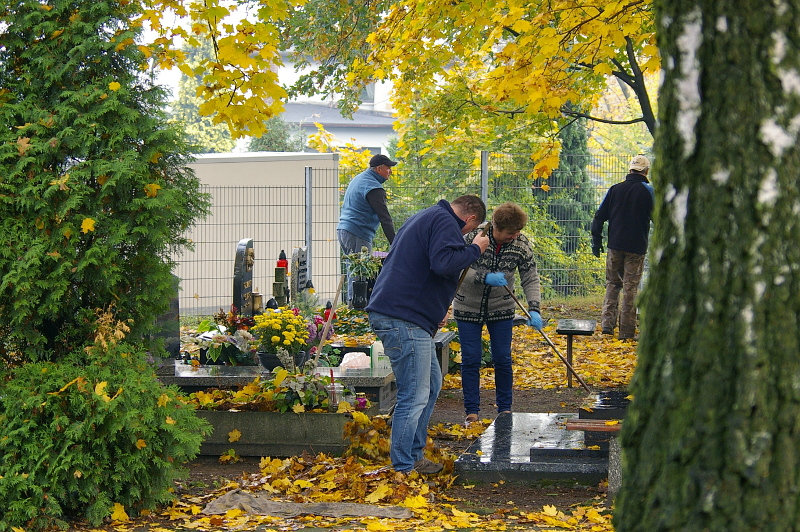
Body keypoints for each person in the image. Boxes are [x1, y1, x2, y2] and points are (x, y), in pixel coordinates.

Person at [366, 195, 490, 474]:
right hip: (404, 318)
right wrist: (475, 249)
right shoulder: (445, 221)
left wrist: (434, 306)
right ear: (470, 219)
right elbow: (444, 263)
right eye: (470, 230)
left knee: (431, 384)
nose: (467, 234)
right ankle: (403, 466)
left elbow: (425, 265)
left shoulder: (428, 216)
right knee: (414, 393)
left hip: (404, 313)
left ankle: (413, 454)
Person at [452, 202, 542, 424]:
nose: (515, 236)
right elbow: (455, 266)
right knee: (471, 359)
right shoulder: (472, 237)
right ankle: (472, 412)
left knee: (502, 358)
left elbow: (530, 277)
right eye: (511, 232)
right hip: (467, 306)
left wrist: (534, 309)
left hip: (501, 307)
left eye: (518, 232)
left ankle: (504, 410)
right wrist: (484, 277)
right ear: (496, 228)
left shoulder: (521, 244)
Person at [590, 155, 655, 340]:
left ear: (630, 169)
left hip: (615, 246)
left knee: (612, 285)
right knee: (630, 289)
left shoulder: (614, 189)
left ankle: (607, 326)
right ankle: (626, 332)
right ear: (646, 171)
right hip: (636, 248)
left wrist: (596, 241)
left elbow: (599, 217)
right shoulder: (649, 192)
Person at [337, 153, 397, 302]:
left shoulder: (360, 179)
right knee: (360, 273)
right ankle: (356, 307)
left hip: (345, 229)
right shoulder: (373, 188)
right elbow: (385, 219)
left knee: (354, 269)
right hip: (358, 231)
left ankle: (352, 305)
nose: (390, 171)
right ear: (379, 169)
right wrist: (396, 243)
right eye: (388, 168)